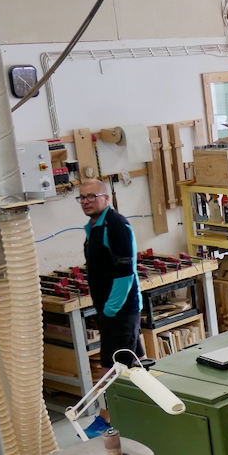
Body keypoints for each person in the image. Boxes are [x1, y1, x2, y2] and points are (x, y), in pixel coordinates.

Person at [79, 179, 144, 435]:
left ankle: (105, 420)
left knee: (112, 367)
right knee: (135, 362)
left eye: (91, 196)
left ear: (105, 198)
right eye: (82, 197)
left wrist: (110, 310)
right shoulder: (94, 227)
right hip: (110, 309)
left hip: (120, 310)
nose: (86, 201)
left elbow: (125, 272)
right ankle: (146, 409)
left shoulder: (116, 225)